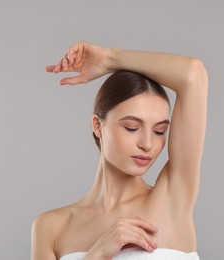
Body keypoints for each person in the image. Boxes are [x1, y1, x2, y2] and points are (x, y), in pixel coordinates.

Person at [31, 41, 208, 260]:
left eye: (159, 131)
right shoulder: (51, 227)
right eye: (132, 128)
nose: (147, 144)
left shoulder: (172, 199)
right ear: (98, 126)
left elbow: (193, 74)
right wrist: (95, 255)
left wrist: (108, 59)